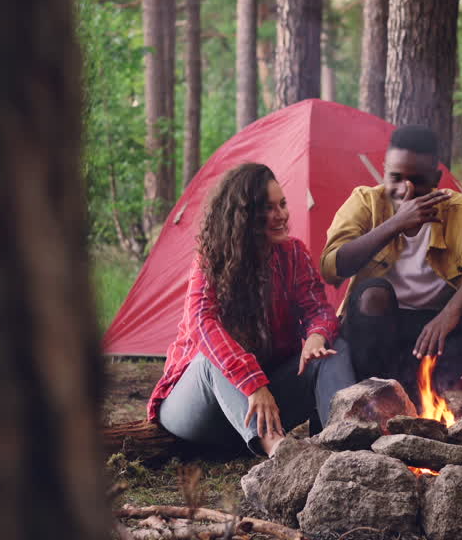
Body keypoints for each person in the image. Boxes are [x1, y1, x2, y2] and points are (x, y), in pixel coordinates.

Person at [147, 163, 354, 457]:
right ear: (244, 217)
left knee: (332, 349)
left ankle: (345, 441)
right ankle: (281, 457)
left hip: (264, 404)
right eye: (269, 208)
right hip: (201, 410)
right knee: (211, 358)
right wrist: (252, 383)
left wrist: (317, 335)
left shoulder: (293, 253)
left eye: (282, 204)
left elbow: (318, 309)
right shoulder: (211, 259)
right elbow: (201, 323)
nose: (281, 215)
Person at [321, 125, 462, 407]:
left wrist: (450, 313)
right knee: (374, 294)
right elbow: (332, 265)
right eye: (395, 177)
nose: (405, 189)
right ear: (384, 171)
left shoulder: (461, 209)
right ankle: (378, 405)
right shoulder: (365, 202)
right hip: (377, 334)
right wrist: (395, 224)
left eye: (418, 180)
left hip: (438, 335)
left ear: (436, 178)